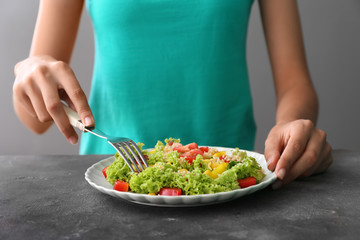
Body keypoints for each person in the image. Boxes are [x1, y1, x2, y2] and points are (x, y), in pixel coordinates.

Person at [13, 0, 332, 189]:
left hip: (224, 186)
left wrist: (292, 127)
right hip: (111, 181)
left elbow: (295, 82)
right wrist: (30, 71)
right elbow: (36, 120)